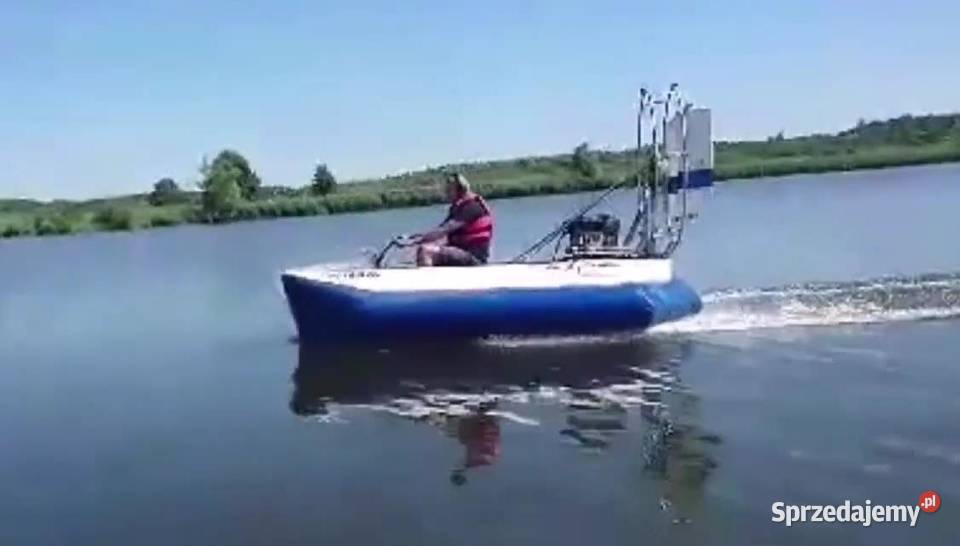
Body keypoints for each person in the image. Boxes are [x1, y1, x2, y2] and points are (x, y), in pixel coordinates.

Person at [405, 173, 493, 266]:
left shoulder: (472, 206)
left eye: (449, 189)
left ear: (460, 189)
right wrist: (413, 237)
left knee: (426, 251)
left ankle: (428, 280)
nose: (446, 192)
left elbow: (445, 229)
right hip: (462, 252)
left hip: (474, 257)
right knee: (426, 248)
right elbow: (440, 228)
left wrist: (420, 240)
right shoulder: (457, 207)